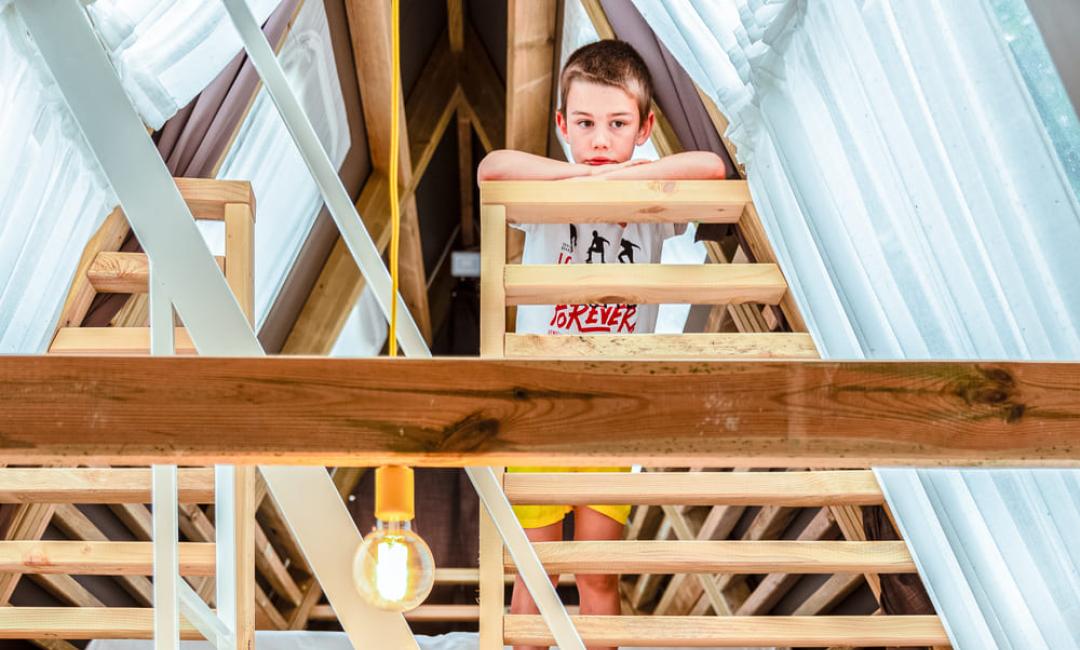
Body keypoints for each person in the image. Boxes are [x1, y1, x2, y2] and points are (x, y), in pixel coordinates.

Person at [477, 39, 728, 650]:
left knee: (597, 572)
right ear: (562, 126)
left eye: (617, 125)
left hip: (611, 410)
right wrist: (580, 179)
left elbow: (711, 169)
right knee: (534, 573)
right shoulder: (546, 201)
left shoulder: (651, 208)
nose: (599, 140)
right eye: (585, 124)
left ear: (644, 128)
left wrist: (624, 181)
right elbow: (492, 169)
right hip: (542, 407)